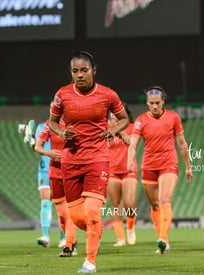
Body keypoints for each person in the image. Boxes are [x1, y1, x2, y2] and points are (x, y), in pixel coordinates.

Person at [49, 51, 129, 273]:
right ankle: (96, 233)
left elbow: (124, 118)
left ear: (94, 70)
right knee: (76, 217)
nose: (79, 75)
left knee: (93, 211)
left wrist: (113, 130)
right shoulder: (62, 95)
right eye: (75, 71)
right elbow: (52, 122)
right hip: (71, 161)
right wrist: (62, 132)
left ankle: (90, 261)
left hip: (97, 159)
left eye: (84, 70)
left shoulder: (107, 95)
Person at [127, 86, 192, 254]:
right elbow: (133, 143)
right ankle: (165, 242)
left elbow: (182, 143)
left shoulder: (173, 118)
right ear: (147, 103)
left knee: (164, 200)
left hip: (168, 163)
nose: (154, 106)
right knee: (155, 205)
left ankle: (162, 239)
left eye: (157, 103)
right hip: (148, 166)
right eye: (151, 103)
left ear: (163, 101)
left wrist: (188, 166)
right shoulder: (141, 120)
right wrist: (130, 160)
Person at [34, 118, 78, 256]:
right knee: (61, 212)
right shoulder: (49, 124)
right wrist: (49, 153)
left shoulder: (77, 122)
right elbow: (37, 146)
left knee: (72, 209)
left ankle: (69, 244)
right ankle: (65, 240)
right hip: (54, 171)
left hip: (73, 170)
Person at [22, 120, 66, 248]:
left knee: (61, 204)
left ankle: (64, 237)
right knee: (46, 202)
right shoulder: (43, 126)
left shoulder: (67, 125)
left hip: (61, 168)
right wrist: (31, 141)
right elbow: (37, 146)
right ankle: (45, 236)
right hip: (44, 169)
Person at [107, 104, 138, 247]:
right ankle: (120, 237)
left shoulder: (131, 127)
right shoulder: (106, 131)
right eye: (111, 118)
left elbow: (132, 143)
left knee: (130, 204)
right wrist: (112, 131)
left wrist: (120, 132)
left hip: (128, 170)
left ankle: (130, 228)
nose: (113, 120)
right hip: (112, 171)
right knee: (115, 205)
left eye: (116, 118)